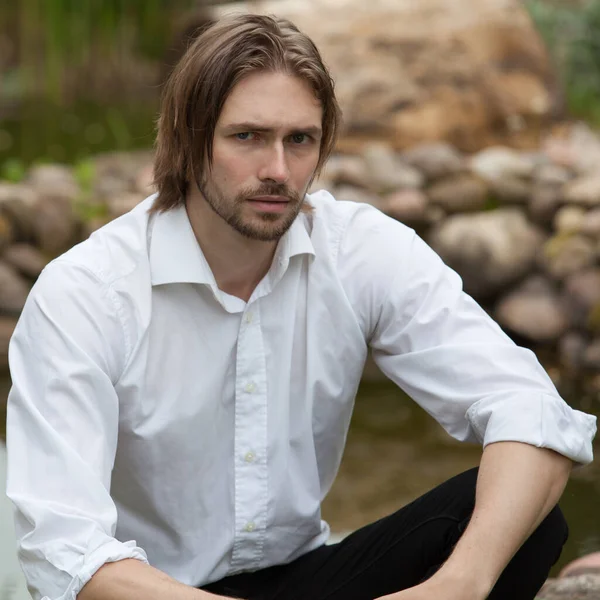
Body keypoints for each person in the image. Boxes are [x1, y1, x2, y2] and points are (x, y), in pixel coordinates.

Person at [5, 12, 596, 600]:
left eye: (300, 140)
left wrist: (459, 586)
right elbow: (67, 553)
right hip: (153, 591)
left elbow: (531, 410)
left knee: (523, 521)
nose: (277, 171)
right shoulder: (88, 293)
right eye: (247, 137)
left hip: (306, 577)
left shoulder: (357, 248)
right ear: (188, 139)